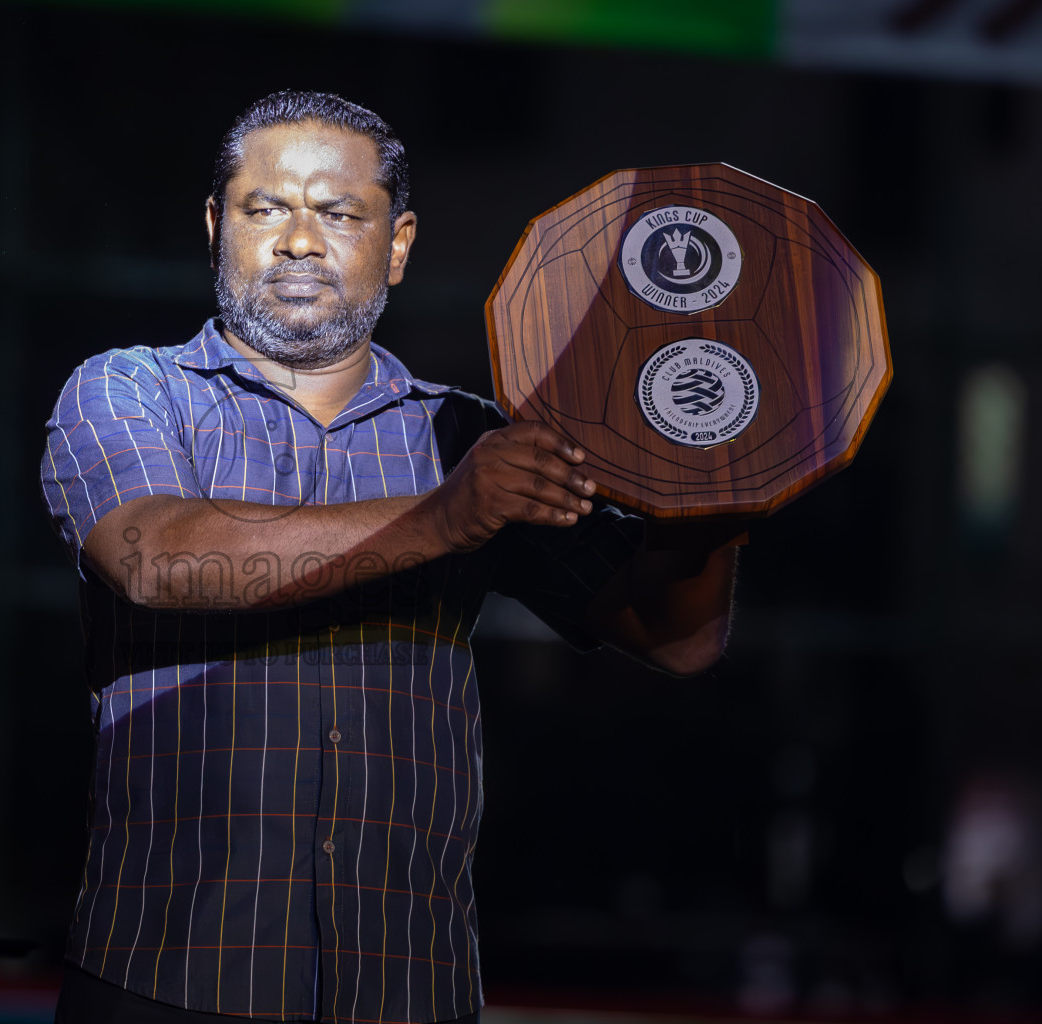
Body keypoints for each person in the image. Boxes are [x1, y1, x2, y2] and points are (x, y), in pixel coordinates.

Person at [40, 90, 738, 1024]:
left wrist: (722, 476)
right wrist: (448, 516)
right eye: (264, 208)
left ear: (398, 244)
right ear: (216, 225)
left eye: (338, 213)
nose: (298, 240)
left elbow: (677, 638)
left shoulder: (469, 438)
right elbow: (157, 558)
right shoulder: (126, 389)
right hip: (167, 981)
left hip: (409, 993)